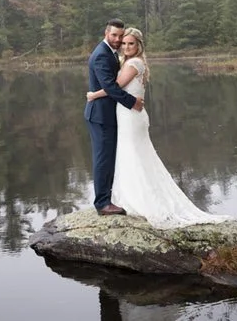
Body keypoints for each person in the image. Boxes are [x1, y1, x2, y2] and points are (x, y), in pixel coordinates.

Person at [86, 28, 229, 226]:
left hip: (130, 116)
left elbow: (115, 87)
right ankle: (126, 197)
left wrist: (94, 95)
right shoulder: (126, 61)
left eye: (131, 43)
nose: (125, 46)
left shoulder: (134, 63)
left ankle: (137, 200)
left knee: (133, 154)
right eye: (124, 43)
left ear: (139, 46)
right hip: (127, 115)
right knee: (132, 155)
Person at [83, 18, 142, 216]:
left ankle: (108, 198)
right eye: (114, 35)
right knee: (103, 159)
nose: (118, 39)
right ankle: (102, 204)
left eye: (120, 35)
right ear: (106, 34)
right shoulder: (101, 55)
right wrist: (131, 102)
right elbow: (110, 86)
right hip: (100, 116)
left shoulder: (110, 52)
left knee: (108, 158)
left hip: (108, 115)